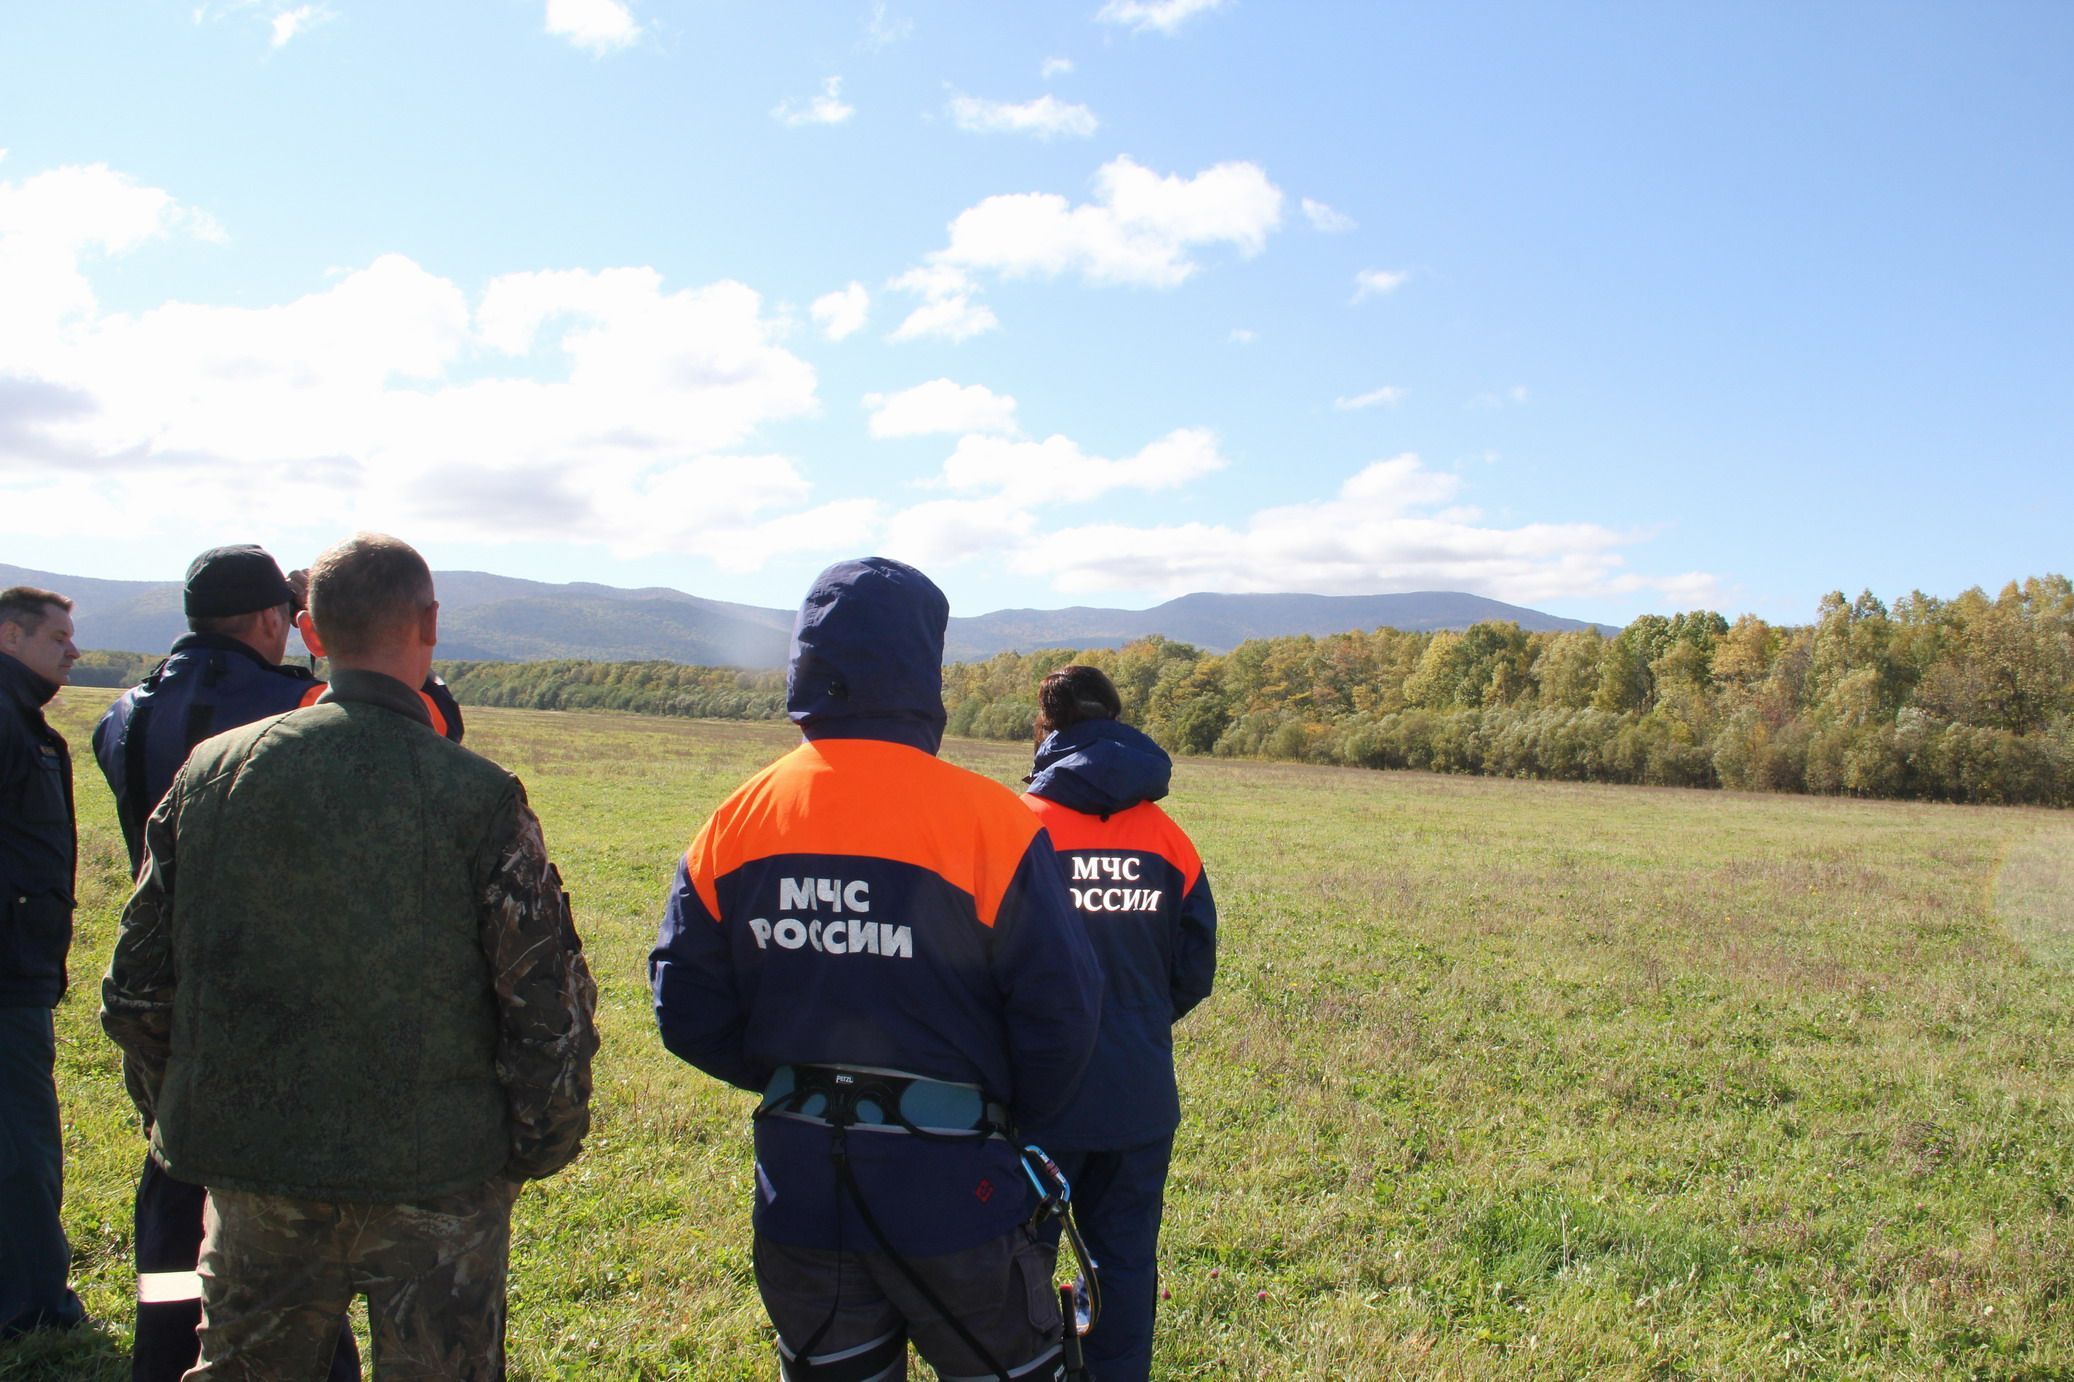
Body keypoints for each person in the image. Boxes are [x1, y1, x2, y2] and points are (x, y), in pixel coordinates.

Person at [101, 533, 597, 1380]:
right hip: (440, 1179)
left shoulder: (212, 776)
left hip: (255, 1173)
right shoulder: (477, 796)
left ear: (309, 630)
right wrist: (532, 1148)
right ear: (430, 624)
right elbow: (547, 1007)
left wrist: (187, 1125)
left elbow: (137, 991)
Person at [651, 557, 1102, 1381]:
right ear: (922, 673)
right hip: (958, 1196)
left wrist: (801, 1084)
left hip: (799, 1189)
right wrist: (992, 1118)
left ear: (805, 665)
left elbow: (684, 1007)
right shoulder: (989, 822)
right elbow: (1062, 1015)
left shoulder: (737, 819)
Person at [1019, 665, 1217, 1382]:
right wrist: (1134, 1022)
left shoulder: (1016, 829)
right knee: (1126, 1261)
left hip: (1035, 1101)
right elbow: (1194, 969)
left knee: (1017, 1263)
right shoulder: (1170, 841)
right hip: (1138, 1095)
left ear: (1045, 730)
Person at [0, 586, 86, 1341]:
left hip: (20, 964)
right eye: (57, 636)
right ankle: (33, 1307)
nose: (72, 649)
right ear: (9, 635)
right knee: (22, 1143)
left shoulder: (20, 719)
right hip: (7, 974)